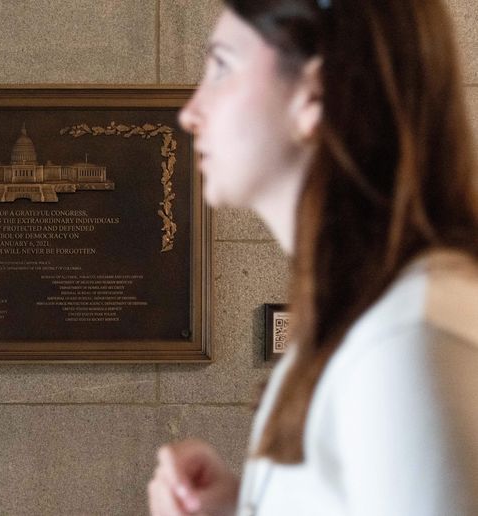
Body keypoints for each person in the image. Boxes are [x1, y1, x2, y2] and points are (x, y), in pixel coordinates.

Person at [148, 0, 478, 514]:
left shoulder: (409, 339)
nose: (190, 113)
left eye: (221, 67)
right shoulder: (358, 320)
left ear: (313, 94)